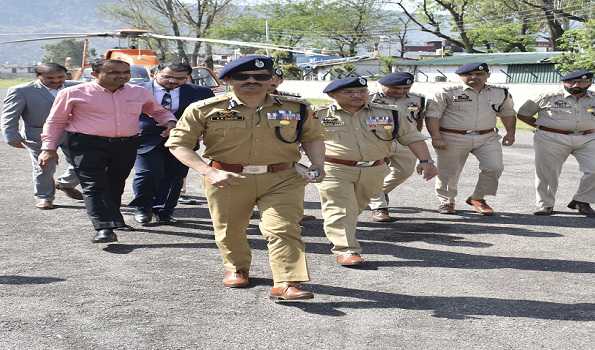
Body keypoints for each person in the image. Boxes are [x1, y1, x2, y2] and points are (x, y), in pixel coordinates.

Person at [166, 55, 325, 301]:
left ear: (271, 80)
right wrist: (208, 172)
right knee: (230, 229)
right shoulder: (204, 109)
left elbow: (312, 137)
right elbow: (178, 145)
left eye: (261, 77)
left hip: (282, 177)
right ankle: (237, 267)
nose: (252, 81)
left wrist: (318, 164)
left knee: (284, 228)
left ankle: (286, 282)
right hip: (227, 177)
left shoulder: (297, 108)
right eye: (243, 77)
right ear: (228, 79)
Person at [38, 59, 177, 243]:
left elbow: (157, 111)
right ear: (95, 74)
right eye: (114, 72)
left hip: (126, 144)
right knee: (93, 185)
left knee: (115, 183)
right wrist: (48, 148)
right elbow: (55, 122)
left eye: (125, 72)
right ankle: (103, 227)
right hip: (86, 144)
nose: (122, 76)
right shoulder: (72, 93)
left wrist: (170, 123)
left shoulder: (138, 92)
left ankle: (115, 219)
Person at [315, 76, 437, 266]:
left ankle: (341, 233)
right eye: (349, 92)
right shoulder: (318, 115)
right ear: (332, 95)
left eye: (361, 91)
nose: (357, 95)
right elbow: (298, 140)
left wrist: (426, 160)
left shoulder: (390, 114)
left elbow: (412, 136)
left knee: (355, 208)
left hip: (375, 169)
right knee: (340, 208)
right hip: (335, 169)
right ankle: (346, 249)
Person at [425, 62, 516, 215]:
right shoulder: (447, 92)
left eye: (479, 74)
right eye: (469, 74)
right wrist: (436, 136)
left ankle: (478, 198)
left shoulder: (500, 92)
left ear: (488, 75)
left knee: (494, 167)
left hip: (487, 136)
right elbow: (433, 115)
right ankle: (446, 201)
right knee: (449, 171)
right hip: (452, 136)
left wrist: (510, 133)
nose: (474, 77)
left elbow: (508, 113)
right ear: (460, 76)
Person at [129, 63, 214, 225]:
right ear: (155, 73)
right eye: (167, 76)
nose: (172, 81)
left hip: (183, 141)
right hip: (145, 139)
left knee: (175, 177)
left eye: (180, 78)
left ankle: (165, 211)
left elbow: (209, 117)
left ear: (188, 77)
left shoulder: (201, 93)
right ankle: (143, 208)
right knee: (148, 173)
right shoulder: (135, 90)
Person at [1, 63, 82, 209]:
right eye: (50, 78)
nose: (56, 81)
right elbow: (9, 116)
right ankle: (44, 197)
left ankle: (65, 183)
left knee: (84, 161)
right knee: (44, 166)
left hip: (73, 132)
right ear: (38, 76)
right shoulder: (21, 90)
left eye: (60, 77)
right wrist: (11, 136)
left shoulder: (78, 87)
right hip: (38, 134)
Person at [516, 70, 595, 217]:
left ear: (589, 82)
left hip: (588, 137)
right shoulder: (548, 96)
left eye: (582, 82)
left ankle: (582, 200)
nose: (577, 85)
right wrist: (541, 126)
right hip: (551, 137)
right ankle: (545, 205)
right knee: (547, 173)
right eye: (572, 82)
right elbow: (523, 114)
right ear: (564, 82)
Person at [368, 72, 426, 222]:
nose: (400, 92)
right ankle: (379, 207)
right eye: (395, 88)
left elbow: (418, 120)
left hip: (405, 141)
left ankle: (377, 192)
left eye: (405, 88)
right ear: (382, 85)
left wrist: (415, 139)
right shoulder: (368, 98)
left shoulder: (418, 99)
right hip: (378, 140)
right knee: (376, 172)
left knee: (404, 172)